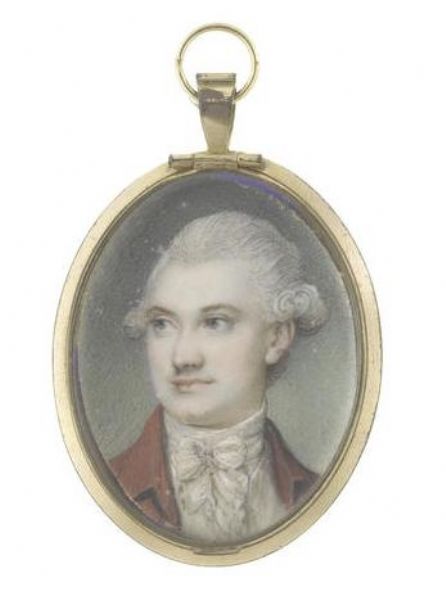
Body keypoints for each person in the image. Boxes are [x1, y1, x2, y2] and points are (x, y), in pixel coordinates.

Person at [110, 210, 328, 544]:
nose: (183, 358)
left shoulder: (318, 495)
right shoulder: (110, 485)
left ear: (277, 337)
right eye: (162, 324)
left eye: (215, 323)